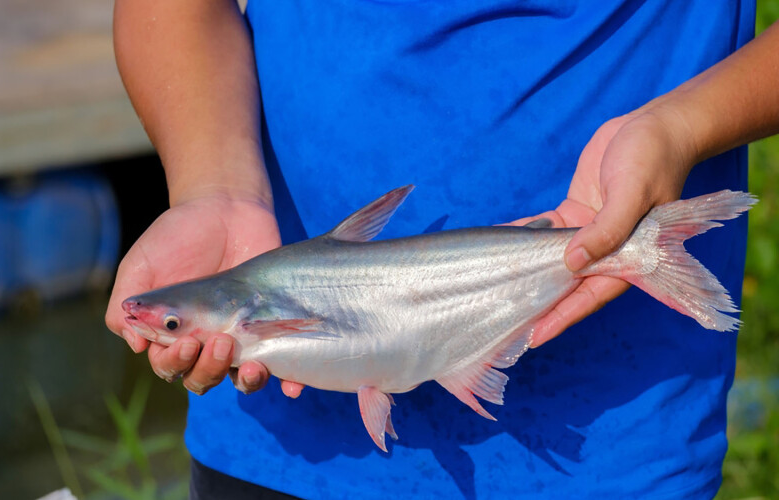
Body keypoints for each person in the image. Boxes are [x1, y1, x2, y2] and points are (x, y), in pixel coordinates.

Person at [107, 1, 778, 497]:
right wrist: (215, 188)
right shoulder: (246, 319)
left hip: (609, 447)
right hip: (267, 450)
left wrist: (683, 126)